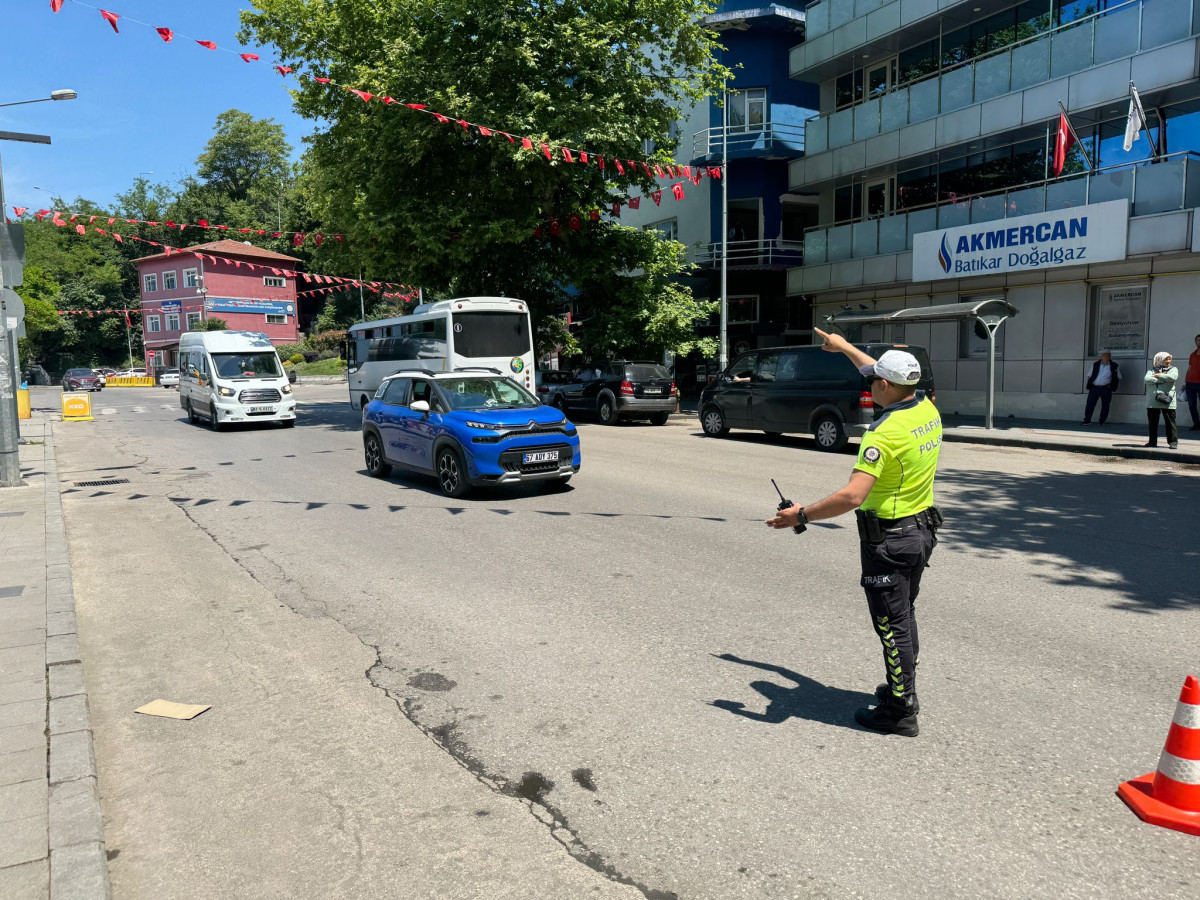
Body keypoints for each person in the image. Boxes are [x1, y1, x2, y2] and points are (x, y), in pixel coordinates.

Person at [766, 329, 942, 737]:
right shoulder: (926, 409)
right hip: (920, 531)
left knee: (891, 625)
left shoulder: (883, 434)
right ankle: (903, 690)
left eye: (875, 379)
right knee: (904, 615)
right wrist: (843, 347)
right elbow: (870, 368)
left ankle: (900, 711)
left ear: (886, 385)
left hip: (891, 540)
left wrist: (801, 515)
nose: (869, 380)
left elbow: (851, 496)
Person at [1144, 351, 1179, 449]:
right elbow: (1147, 379)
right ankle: (1152, 442)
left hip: (1167, 400)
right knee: (1152, 423)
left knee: (1170, 423)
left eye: (1169, 359)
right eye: (1166, 359)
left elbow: (1173, 377)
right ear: (1159, 359)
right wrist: (1164, 380)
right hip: (1153, 401)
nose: (1168, 361)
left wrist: (1158, 376)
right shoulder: (1152, 369)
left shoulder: (1173, 369)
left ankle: (1173, 442)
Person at [1082, 351, 1120, 425]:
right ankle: (1087, 420)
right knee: (1090, 404)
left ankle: (1102, 421)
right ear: (1101, 356)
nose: (1106, 357)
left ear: (1110, 357)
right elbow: (1089, 375)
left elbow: (1117, 377)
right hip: (1094, 387)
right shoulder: (1096, 364)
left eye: (1108, 356)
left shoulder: (1114, 365)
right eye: (1104, 355)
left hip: (1106, 388)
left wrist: (1112, 387)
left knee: (1105, 405)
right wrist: (1090, 384)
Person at [1185, 334, 1200, 431]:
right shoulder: (1192, 354)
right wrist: (1184, 382)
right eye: (1198, 340)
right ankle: (1196, 423)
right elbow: (1189, 368)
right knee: (1191, 405)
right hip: (1190, 384)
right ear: (1195, 342)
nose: (1199, 342)